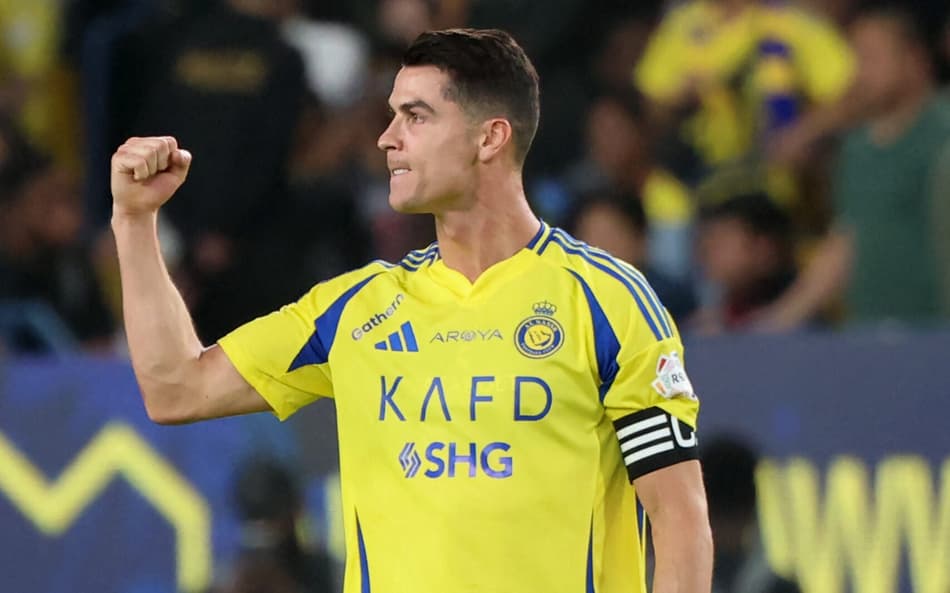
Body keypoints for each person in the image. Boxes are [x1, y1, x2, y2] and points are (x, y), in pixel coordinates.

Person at [110, 28, 712, 593]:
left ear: (490, 137)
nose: (386, 136)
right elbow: (177, 390)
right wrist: (135, 223)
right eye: (393, 114)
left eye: (415, 116)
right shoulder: (354, 309)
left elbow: (679, 519)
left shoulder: (604, 301)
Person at [759, 7, 950, 329]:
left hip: (935, 334)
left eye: (872, 56)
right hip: (871, 335)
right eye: (856, 57)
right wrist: (775, 322)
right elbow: (845, 242)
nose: (860, 72)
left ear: (914, 58)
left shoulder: (942, 131)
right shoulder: (855, 149)